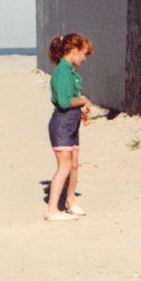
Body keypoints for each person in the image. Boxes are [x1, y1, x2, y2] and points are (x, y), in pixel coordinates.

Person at [44, 32, 95, 221]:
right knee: (64, 166)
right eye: (83, 54)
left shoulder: (69, 72)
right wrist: (82, 100)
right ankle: (51, 210)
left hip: (71, 122)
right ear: (73, 51)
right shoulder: (62, 73)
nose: (84, 58)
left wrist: (81, 108)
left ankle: (70, 202)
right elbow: (64, 102)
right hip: (62, 124)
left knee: (73, 165)